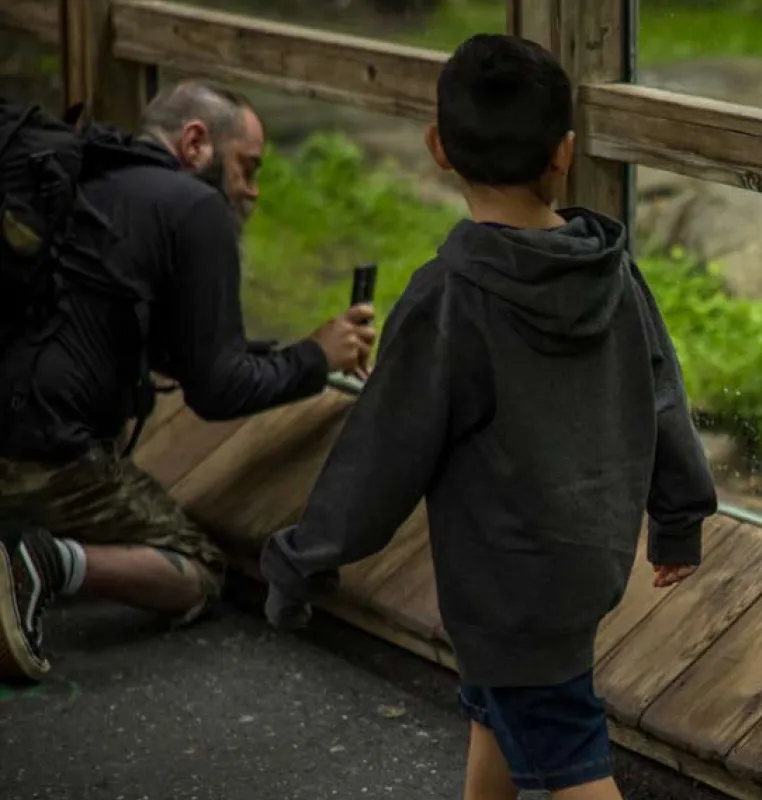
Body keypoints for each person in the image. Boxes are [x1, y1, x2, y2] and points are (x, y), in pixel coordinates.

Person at [256, 34, 717, 800]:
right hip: (583, 559)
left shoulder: (450, 295)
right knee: (496, 711)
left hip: (508, 581)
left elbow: (382, 452)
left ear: (438, 147)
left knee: (565, 752)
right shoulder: (612, 270)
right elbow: (663, 392)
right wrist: (678, 517)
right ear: (564, 153)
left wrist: (303, 561)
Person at [0, 79, 377, 682]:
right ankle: (43, 560)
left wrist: (305, 348)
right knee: (198, 566)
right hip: (41, 455)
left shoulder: (80, 175)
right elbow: (218, 389)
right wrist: (315, 356)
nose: (250, 191)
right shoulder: (195, 208)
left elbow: (180, 349)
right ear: (197, 142)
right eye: (247, 167)